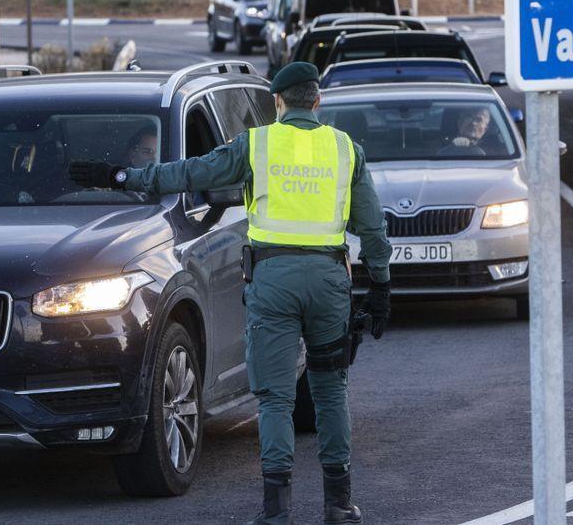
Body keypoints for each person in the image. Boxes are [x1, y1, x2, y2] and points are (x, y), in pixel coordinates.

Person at [68, 62, 392, 524]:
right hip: (328, 281)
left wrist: (125, 178)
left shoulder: (257, 144)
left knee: (276, 397)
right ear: (318, 101)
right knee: (330, 390)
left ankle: (276, 509)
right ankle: (339, 503)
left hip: (273, 280)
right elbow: (373, 229)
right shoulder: (345, 150)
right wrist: (380, 286)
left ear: (277, 103)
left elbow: (191, 173)